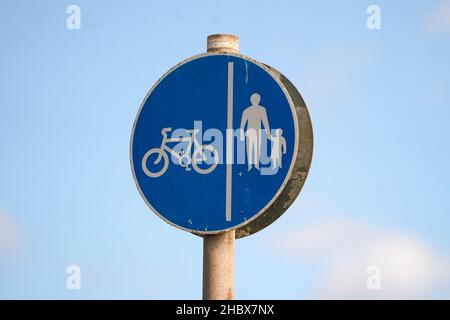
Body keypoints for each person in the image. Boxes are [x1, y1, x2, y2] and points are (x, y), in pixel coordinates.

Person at [240, 93, 271, 171]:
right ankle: (250, 166)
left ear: (259, 100)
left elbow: (265, 122)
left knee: (257, 149)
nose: (255, 101)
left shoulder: (262, 110)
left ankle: (256, 165)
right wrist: (241, 134)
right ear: (251, 100)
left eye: (256, 99)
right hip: (249, 133)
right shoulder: (247, 110)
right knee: (249, 149)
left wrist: (268, 132)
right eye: (254, 99)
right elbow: (242, 124)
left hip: (257, 132)